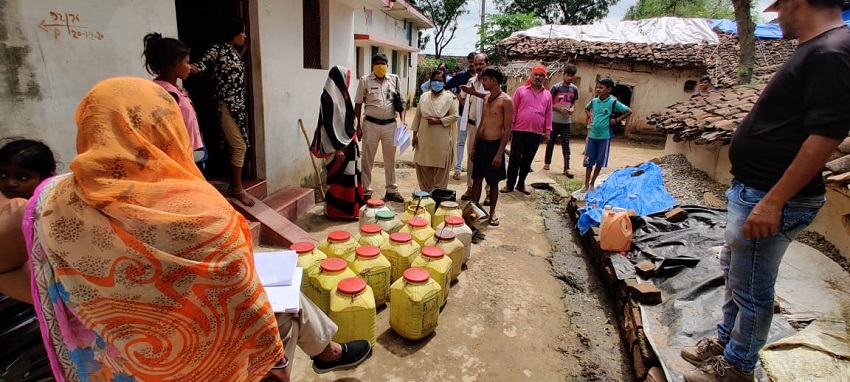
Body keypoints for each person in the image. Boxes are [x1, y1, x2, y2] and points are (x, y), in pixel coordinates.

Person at [0, 77, 284, 380]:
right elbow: (245, 305)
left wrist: (62, 293)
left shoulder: (51, 204)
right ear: (170, 129)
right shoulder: (209, 213)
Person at [680, 1, 850, 381]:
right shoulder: (816, 48)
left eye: (778, 8)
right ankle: (726, 340)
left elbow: (826, 135)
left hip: (771, 197)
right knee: (737, 274)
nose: (775, 17)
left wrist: (774, 201)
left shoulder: (832, 51)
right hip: (754, 190)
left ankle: (737, 366)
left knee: (754, 287)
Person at [190, 18, 254, 206]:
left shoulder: (233, 52)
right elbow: (200, 66)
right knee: (239, 146)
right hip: (226, 105)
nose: (245, 35)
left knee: (235, 145)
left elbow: (232, 68)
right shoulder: (217, 49)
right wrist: (184, 66)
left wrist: (242, 51)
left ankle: (233, 185)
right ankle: (237, 188)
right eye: (242, 32)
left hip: (238, 106)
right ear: (232, 32)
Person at [143, 32, 207, 170]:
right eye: (187, 62)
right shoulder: (166, 94)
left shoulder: (176, 90)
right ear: (174, 64)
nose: (190, 67)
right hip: (183, 157)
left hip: (194, 150)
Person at [310, 66, 364, 219]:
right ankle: (336, 211)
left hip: (349, 143)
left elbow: (348, 119)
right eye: (346, 77)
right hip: (337, 147)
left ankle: (350, 211)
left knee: (351, 177)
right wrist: (338, 148)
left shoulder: (344, 95)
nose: (348, 81)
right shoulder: (327, 98)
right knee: (338, 179)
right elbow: (328, 124)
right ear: (339, 79)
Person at [354, 53, 406, 202]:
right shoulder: (365, 81)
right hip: (370, 125)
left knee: (390, 159)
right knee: (367, 159)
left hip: (390, 125)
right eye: (377, 63)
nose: (380, 66)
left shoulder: (394, 80)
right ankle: (365, 191)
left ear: (387, 65)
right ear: (372, 65)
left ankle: (391, 190)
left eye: (383, 63)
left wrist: (402, 122)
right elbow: (358, 104)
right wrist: (357, 126)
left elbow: (402, 103)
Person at [467, 67, 512, 227]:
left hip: (495, 146)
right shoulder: (487, 98)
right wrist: (474, 146)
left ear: (493, 80)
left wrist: (500, 154)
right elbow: (482, 123)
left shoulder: (506, 101)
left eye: (485, 80)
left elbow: (507, 129)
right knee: (477, 178)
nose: (483, 83)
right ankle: (473, 207)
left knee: (493, 182)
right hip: (481, 144)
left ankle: (492, 212)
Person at [501, 64, 552, 196]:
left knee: (527, 160)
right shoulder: (521, 91)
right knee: (514, 158)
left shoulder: (547, 95)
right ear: (531, 75)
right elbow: (514, 110)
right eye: (536, 74)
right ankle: (509, 184)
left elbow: (548, 114)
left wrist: (548, 131)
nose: (538, 77)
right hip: (519, 130)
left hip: (536, 132)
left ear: (544, 78)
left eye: (541, 75)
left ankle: (521, 184)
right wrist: (511, 127)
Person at [582, 77, 631, 193]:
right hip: (592, 136)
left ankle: (593, 183)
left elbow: (629, 111)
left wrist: (617, 120)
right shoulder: (594, 101)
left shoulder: (613, 102)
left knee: (599, 161)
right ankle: (586, 184)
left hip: (604, 137)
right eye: (597, 87)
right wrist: (590, 116)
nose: (598, 90)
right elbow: (587, 108)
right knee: (588, 161)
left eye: (601, 88)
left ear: (609, 89)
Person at [412, 71, 459, 191]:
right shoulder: (424, 96)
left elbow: (454, 116)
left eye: (440, 81)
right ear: (430, 81)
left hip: (441, 140)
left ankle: (438, 197)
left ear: (444, 83)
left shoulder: (450, 98)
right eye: (435, 80)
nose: (437, 83)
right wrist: (414, 135)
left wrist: (439, 121)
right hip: (424, 137)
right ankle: (426, 196)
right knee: (423, 167)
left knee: (441, 171)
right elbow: (417, 116)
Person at [457, 53, 489, 197]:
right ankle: (470, 188)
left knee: (488, 160)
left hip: (489, 128)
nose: (478, 67)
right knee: (471, 158)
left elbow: (494, 99)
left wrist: (475, 94)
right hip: (472, 126)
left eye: (481, 64)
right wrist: (469, 111)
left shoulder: (493, 82)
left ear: (487, 64)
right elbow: (461, 96)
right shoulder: (471, 81)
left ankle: (488, 191)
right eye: (475, 64)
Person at [544, 64, 579, 178]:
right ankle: (547, 163)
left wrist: (572, 109)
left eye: (571, 76)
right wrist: (559, 109)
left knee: (566, 145)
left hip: (566, 121)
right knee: (551, 142)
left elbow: (573, 103)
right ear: (564, 75)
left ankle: (566, 167)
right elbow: (549, 104)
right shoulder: (555, 87)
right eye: (567, 75)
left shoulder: (574, 89)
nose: (569, 78)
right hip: (554, 120)